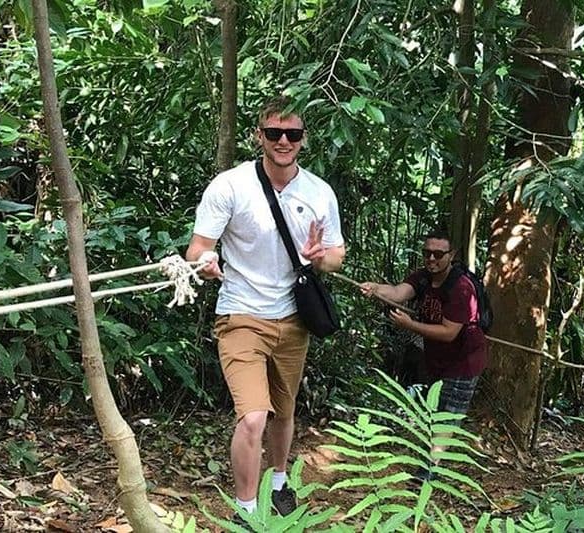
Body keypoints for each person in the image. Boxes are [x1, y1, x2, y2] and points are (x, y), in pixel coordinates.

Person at [185, 96, 345, 519]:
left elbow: (336, 256)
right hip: (241, 314)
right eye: (274, 133)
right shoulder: (231, 185)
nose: (283, 141)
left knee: (284, 411)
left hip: (294, 317)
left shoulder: (318, 192)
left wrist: (318, 257)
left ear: (303, 139)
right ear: (259, 136)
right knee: (253, 417)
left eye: (291, 134)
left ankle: (278, 481)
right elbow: (198, 249)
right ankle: (246, 510)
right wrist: (205, 263)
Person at [359, 230, 487, 480]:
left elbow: (450, 332)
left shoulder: (461, 288)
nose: (431, 259)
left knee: (449, 413)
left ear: (451, 255)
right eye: (427, 253)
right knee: (434, 409)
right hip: (437, 358)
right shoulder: (424, 278)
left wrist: (409, 325)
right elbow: (398, 293)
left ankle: (430, 468)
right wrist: (376, 289)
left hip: (464, 360)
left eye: (438, 254)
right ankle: (429, 457)